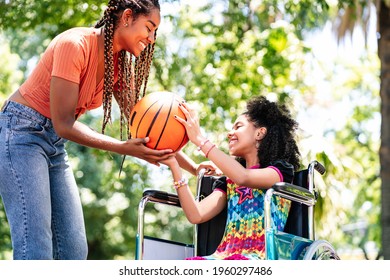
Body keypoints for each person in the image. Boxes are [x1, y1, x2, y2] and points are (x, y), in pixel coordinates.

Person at [0, 0, 198, 260]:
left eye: (154, 33)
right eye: (149, 28)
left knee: (73, 250)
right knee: (36, 247)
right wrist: (124, 148)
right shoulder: (75, 45)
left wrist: (196, 168)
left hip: (54, 144)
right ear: (127, 17)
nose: (151, 39)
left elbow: (150, 129)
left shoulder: (116, 66)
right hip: (21, 133)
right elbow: (64, 123)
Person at [161, 95, 301, 260]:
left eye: (238, 126)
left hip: (260, 258)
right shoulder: (228, 181)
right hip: (223, 257)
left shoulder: (280, 171)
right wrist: (174, 167)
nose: (230, 133)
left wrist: (199, 139)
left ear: (260, 133)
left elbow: (243, 177)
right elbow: (195, 215)